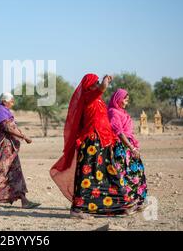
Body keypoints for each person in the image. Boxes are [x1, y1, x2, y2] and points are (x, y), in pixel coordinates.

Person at [50, 74, 138, 218]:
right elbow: (103, 87)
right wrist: (106, 80)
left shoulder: (98, 100)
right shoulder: (88, 96)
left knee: (109, 173)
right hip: (92, 143)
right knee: (87, 175)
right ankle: (77, 210)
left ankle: (123, 205)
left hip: (103, 142)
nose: (98, 84)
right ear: (89, 85)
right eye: (95, 82)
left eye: (98, 82)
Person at [108, 89, 147, 205]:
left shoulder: (123, 112)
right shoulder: (113, 112)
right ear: (118, 99)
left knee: (137, 172)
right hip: (121, 148)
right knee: (123, 174)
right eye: (125, 99)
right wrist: (132, 148)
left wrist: (133, 147)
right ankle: (124, 202)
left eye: (127, 100)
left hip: (129, 147)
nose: (126, 102)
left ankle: (135, 200)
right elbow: (119, 133)